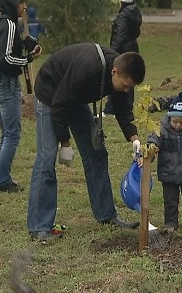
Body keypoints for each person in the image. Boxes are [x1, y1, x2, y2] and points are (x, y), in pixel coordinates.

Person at [27, 43, 146, 242]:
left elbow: (122, 108)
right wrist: (64, 142)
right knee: (46, 158)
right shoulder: (88, 69)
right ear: (114, 72)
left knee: (96, 153)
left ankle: (106, 214)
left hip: (73, 96)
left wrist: (133, 137)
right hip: (51, 94)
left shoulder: (120, 70)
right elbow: (59, 105)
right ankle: (39, 226)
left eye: (130, 87)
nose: (126, 90)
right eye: (125, 85)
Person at [0, 0, 41, 193]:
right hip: (5, 82)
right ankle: (1, 181)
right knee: (12, 134)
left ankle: (2, 178)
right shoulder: (8, 24)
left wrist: (27, 44)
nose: (25, 7)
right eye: (21, 3)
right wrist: (28, 59)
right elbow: (6, 58)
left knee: (6, 133)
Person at [147, 92, 182, 233]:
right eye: (175, 121)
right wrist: (150, 151)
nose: (178, 125)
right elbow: (153, 141)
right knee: (170, 201)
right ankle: (170, 223)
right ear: (169, 117)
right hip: (168, 174)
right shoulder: (161, 130)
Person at [103, 0, 142, 117]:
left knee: (117, 78)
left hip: (121, 51)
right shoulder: (135, 11)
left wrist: (112, 52)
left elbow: (120, 35)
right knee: (130, 78)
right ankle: (126, 105)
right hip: (132, 47)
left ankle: (111, 108)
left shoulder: (123, 15)